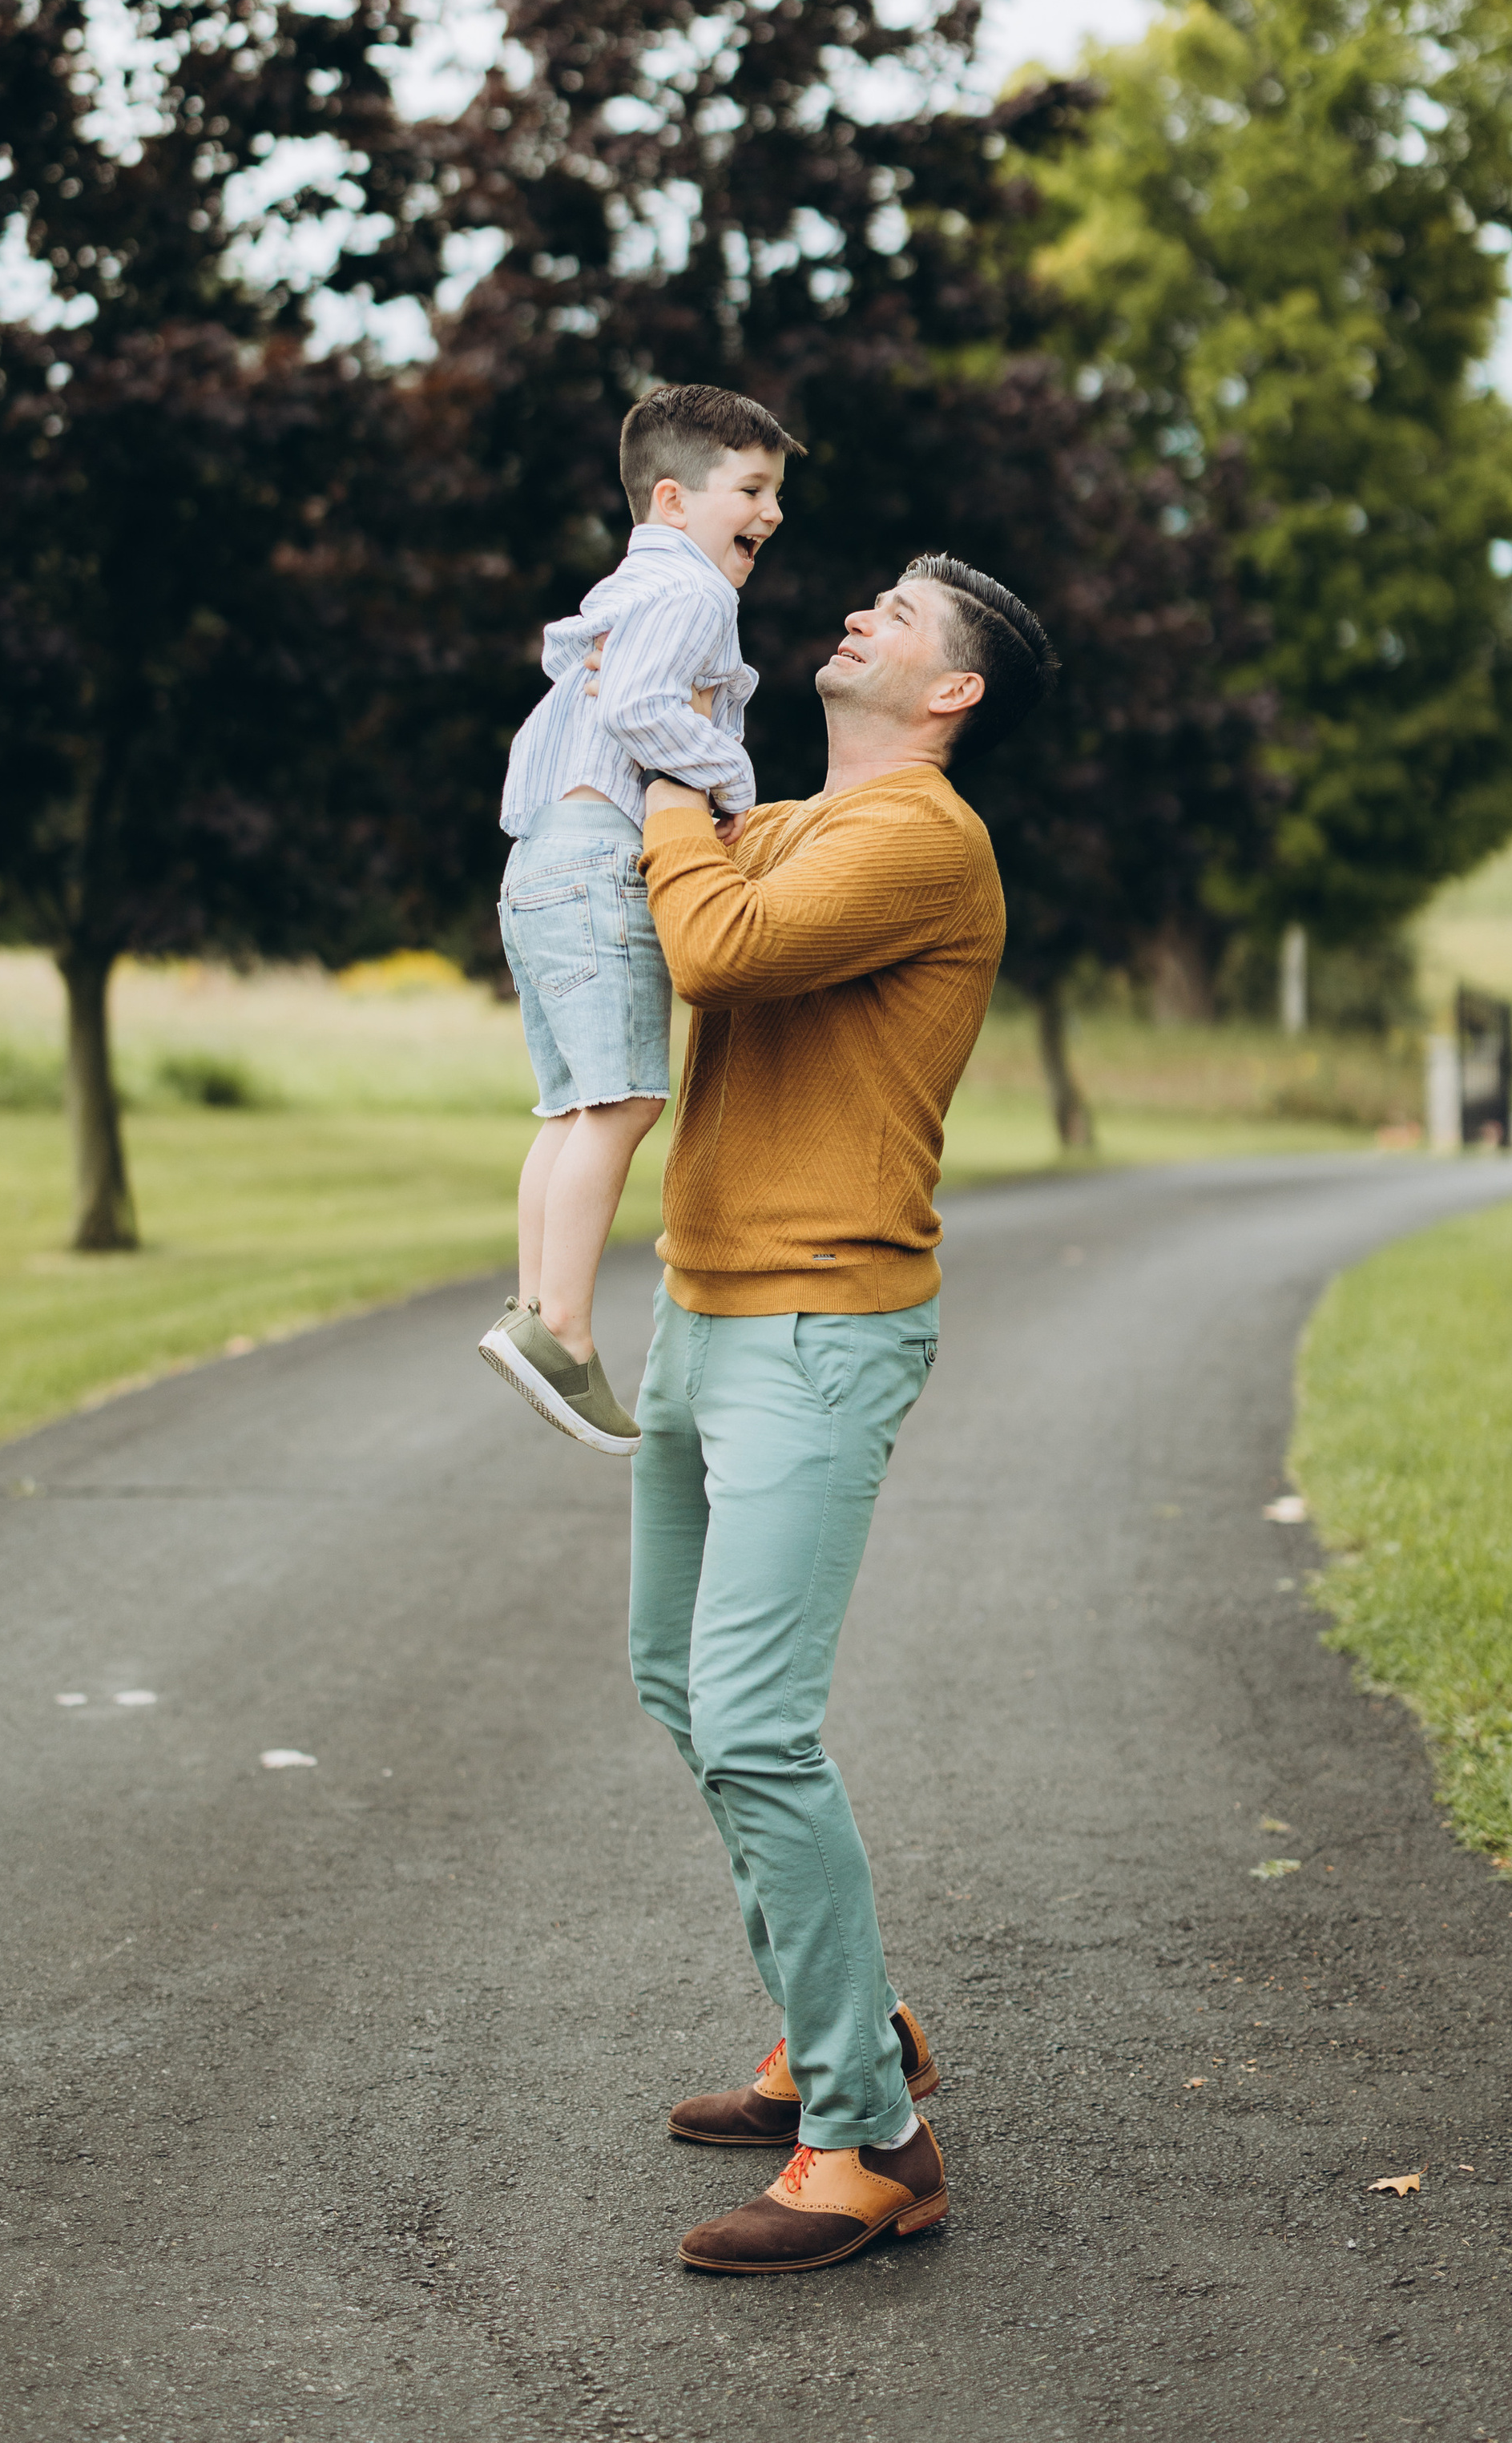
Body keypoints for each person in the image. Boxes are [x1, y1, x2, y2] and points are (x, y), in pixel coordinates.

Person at [630, 550, 1053, 2275]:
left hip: (818, 1322)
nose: (859, 618)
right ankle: (849, 2033)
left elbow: (712, 947)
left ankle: (869, 2144)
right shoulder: (802, 813)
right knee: (676, 1683)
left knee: (751, 1723)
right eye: (866, 600)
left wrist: (662, 780)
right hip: (704, 1299)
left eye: (901, 617)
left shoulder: (916, 841)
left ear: (949, 693)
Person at [478, 383, 801, 1453]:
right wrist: (739, 782)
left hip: (541, 867)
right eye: (752, 489)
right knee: (623, 1104)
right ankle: (561, 1326)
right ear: (672, 498)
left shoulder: (624, 593)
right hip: (602, 863)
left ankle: (536, 1310)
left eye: (776, 493)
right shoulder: (692, 593)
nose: (772, 512)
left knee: (574, 1108)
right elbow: (643, 713)